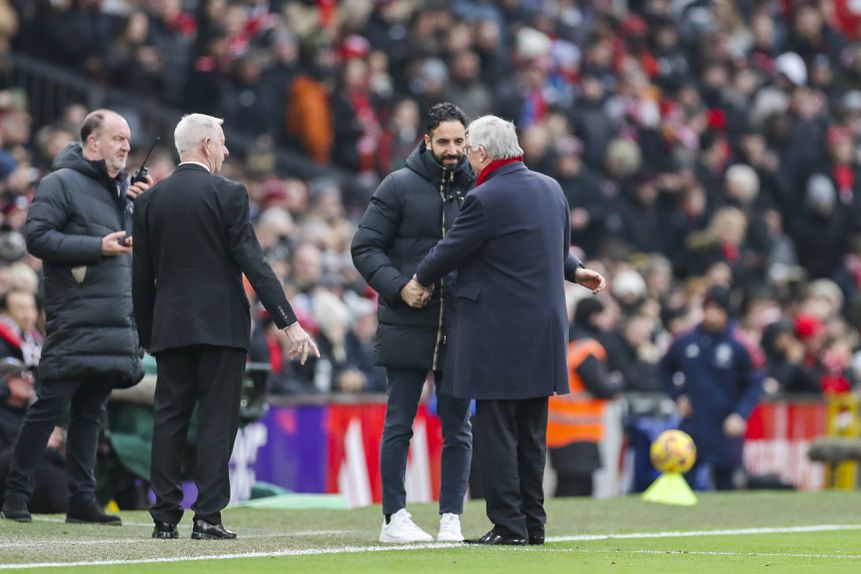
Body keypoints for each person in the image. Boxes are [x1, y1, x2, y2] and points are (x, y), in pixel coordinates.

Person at [414, 115, 604, 545]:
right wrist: (576, 272)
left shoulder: (485, 197)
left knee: (497, 431)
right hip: (545, 332)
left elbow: (449, 251)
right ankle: (532, 524)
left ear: (481, 153)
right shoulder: (551, 188)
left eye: (469, 150)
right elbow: (552, 249)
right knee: (531, 434)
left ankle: (508, 525)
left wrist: (416, 279)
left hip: (499, 333)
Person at [132, 113, 319, 541]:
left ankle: (163, 516)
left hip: (171, 327)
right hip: (222, 326)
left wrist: (147, 336)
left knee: (169, 418)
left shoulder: (148, 202)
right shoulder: (229, 193)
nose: (227, 150)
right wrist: (288, 323)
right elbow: (254, 263)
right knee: (218, 420)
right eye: (221, 142)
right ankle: (207, 517)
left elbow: (140, 278)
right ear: (203, 146)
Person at [1, 109, 151, 525]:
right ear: (91, 143)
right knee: (49, 406)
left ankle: (82, 500)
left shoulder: (125, 191)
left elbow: (136, 247)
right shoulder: (59, 183)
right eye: (117, 137)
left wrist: (144, 205)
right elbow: (37, 237)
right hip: (76, 317)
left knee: (91, 413)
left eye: (127, 139)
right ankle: (16, 494)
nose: (125, 145)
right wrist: (96, 247)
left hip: (114, 321)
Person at [351, 102, 476, 543]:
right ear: (426, 140)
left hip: (460, 324)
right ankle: (394, 518)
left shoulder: (478, 187)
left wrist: (570, 267)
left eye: (460, 141)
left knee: (458, 427)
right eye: (444, 141)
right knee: (399, 424)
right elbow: (364, 248)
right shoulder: (398, 186)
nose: (453, 150)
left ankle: (451, 518)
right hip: (407, 321)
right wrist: (400, 286)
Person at [658, 285, 764, 490]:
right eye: (708, 308)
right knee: (683, 480)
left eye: (718, 310)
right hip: (693, 422)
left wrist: (740, 415)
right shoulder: (684, 340)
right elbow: (663, 371)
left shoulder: (740, 344)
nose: (712, 314)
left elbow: (755, 382)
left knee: (726, 484)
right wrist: (677, 396)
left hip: (725, 423)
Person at [547, 297, 621, 497]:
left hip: (557, 430)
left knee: (565, 485)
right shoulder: (587, 349)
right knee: (578, 488)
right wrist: (617, 381)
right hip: (579, 432)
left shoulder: (565, 343)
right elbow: (602, 388)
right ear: (594, 317)